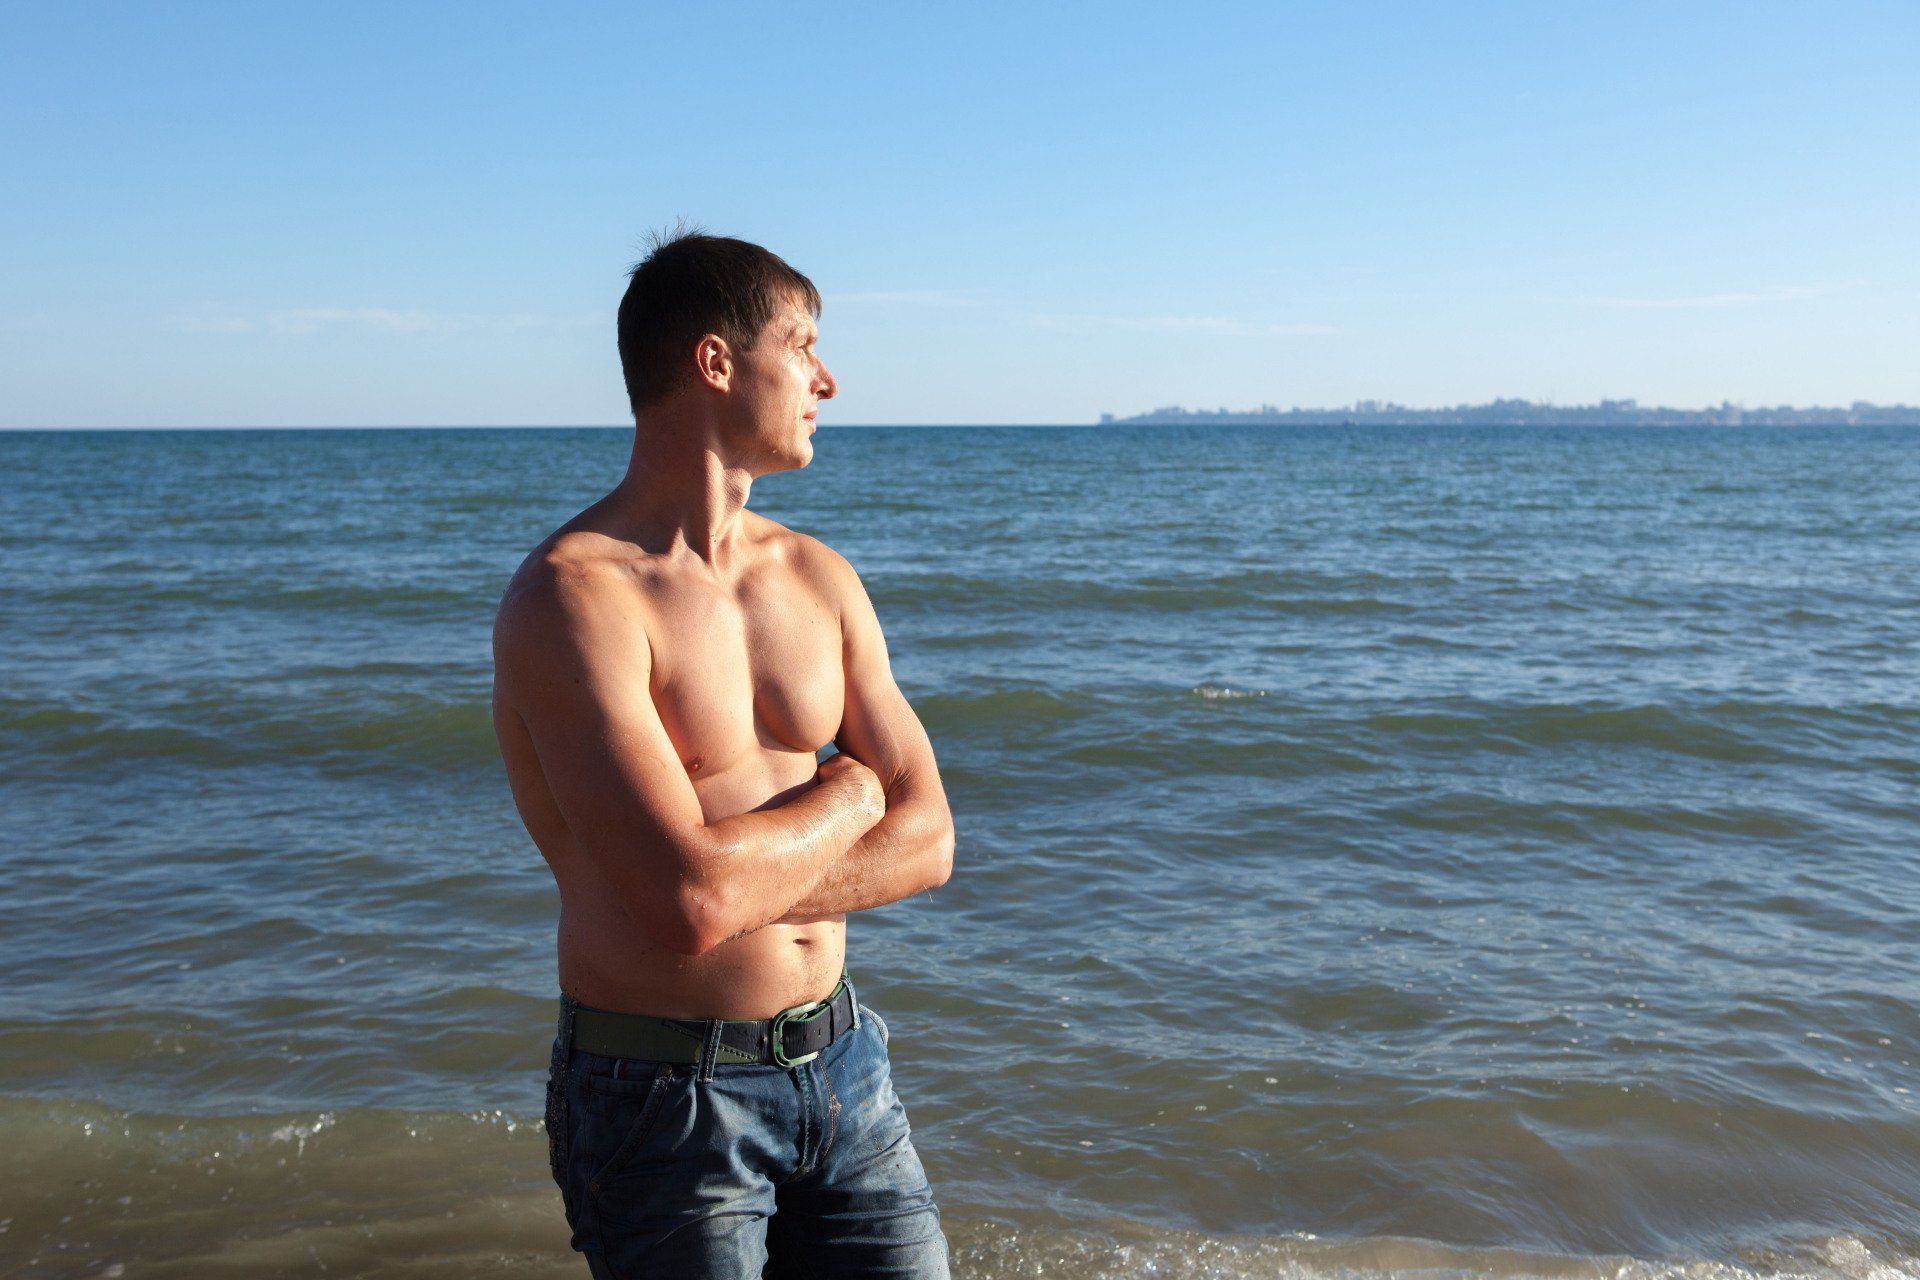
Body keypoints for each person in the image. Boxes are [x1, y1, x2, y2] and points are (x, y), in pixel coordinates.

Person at [490, 229, 956, 1278]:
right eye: (804, 346)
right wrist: (852, 791)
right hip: (663, 1102)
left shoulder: (820, 577)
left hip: (846, 1065)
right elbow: (682, 906)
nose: (827, 379)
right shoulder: (574, 599)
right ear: (716, 361)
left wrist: (731, 876)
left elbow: (931, 842)